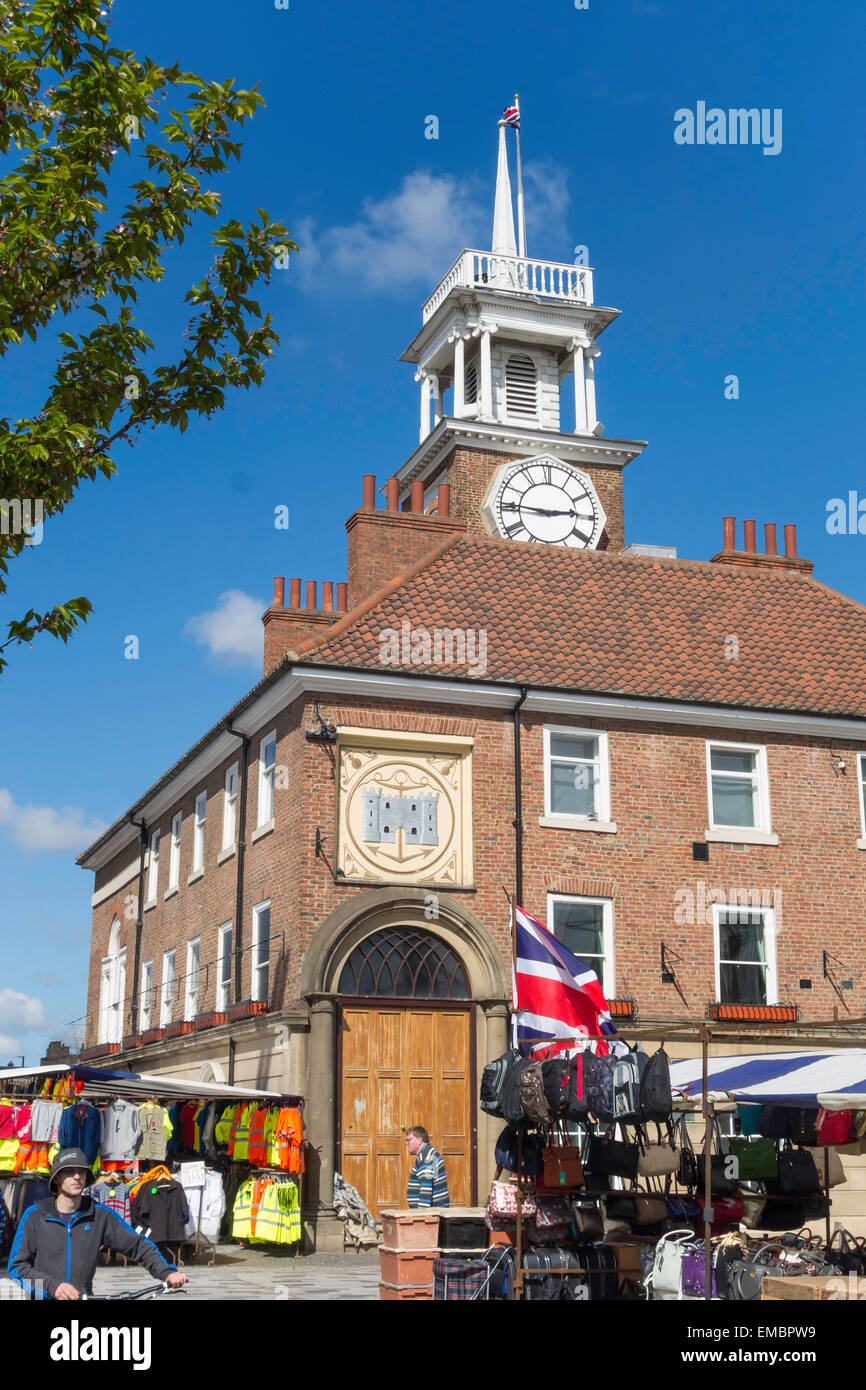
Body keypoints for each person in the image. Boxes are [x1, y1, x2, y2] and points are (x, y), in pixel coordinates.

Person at [8, 1147, 188, 1300]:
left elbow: (138, 1245)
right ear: (56, 1178)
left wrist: (166, 1273)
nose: (77, 1177)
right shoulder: (35, 1216)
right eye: (69, 1172)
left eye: (81, 1171)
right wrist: (51, 1287)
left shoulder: (99, 1214)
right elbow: (18, 1268)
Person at [405, 1126, 449, 1208]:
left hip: (433, 1214)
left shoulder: (426, 1157)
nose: (406, 1143)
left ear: (419, 1140)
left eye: (409, 1140)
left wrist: (422, 1216)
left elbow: (426, 1187)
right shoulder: (427, 1154)